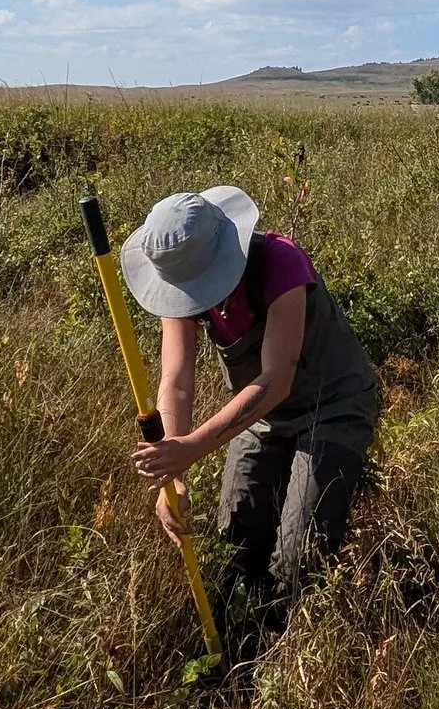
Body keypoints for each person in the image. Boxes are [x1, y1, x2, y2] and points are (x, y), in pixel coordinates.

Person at [123, 186, 382, 623]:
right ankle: (241, 642)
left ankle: (291, 645)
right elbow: (177, 380)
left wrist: (193, 446)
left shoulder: (280, 262)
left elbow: (276, 380)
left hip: (332, 406)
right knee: (238, 535)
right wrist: (175, 470)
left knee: (300, 553)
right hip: (263, 417)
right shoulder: (181, 278)